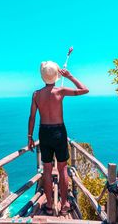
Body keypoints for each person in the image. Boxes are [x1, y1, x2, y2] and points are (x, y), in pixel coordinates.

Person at [27, 61, 89, 215]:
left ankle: (49, 205)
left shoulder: (36, 94)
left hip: (44, 132)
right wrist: (70, 76)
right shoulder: (60, 91)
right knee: (63, 169)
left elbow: (32, 117)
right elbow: (85, 89)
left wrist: (29, 137)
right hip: (59, 132)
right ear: (56, 76)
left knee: (47, 170)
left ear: (43, 77)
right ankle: (65, 204)